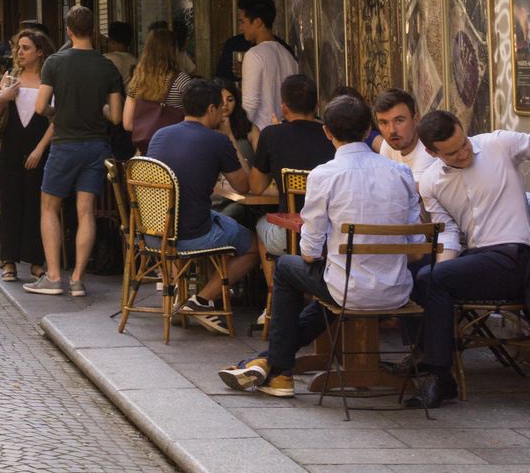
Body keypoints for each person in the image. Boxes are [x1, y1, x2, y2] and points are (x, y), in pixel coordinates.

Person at [217, 94, 422, 397]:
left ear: (327, 132)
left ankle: (280, 369)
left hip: (347, 288)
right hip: (396, 289)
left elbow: (309, 251)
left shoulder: (324, 175)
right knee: (336, 280)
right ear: (369, 130)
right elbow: (415, 247)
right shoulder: (402, 173)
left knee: (288, 267)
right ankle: (270, 361)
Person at [406, 110, 530, 408]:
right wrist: (446, 269)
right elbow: (448, 234)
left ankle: (437, 373)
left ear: (463, 130)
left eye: (463, 143)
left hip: (514, 258)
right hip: (477, 261)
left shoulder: (497, 144)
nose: (464, 154)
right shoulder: (430, 182)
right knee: (415, 274)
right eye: (452, 153)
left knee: (430, 279)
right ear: (431, 152)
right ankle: (429, 361)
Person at [144, 79, 262, 332]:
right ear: (211, 109)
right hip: (191, 235)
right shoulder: (215, 141)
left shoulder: (160, 135)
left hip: (154, 234)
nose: (223, 113)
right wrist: (229, 136)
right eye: (220, 107)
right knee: (254, 246)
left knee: (219, 221)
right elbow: (244, 186)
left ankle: (196, 301)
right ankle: (202, 301)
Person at [24, 6, 124, 298]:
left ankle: (54, 276)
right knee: (86, 212)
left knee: (49, 207)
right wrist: (98, 109)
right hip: (97, 146)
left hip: (65, 143)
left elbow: (41, 107)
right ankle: (78, 279)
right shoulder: (108, 67)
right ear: (93, 29)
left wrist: (60, 112)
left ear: (68, 30)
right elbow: (116, 116)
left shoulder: (54, 63)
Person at [0, 28, 56, 282]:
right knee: (11, 201)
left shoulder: (50, 80)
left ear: (40, 52)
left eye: (26, 48)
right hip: (11, 146)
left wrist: (40, 149)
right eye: (19, 47)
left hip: (40, 147)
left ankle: (36, 260)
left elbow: (56, 119)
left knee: (37, 203)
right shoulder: (10, 78)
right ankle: (9, 261)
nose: (20, 52)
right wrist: (4, 98)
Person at [247, 75, 334, 262]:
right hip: (330, 234)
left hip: (291, 234)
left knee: (260, 224)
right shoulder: (332, 137)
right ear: (317, 105)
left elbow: (256, 187)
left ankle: (273, 289)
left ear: (284, 107)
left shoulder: (271, 135)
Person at [122, 27, 193, 153]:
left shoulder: (138, 81)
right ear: (173, 51)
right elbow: (193, 121)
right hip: (175, 150)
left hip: (146, 154)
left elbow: (127, 124)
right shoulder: (181, 81)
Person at [236, 0, 298, 129]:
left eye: (243, 22)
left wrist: (238, 131)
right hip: (284, 132)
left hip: (262, 134)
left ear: (257, 22)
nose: (241, 27)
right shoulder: (288, 55)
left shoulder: (254, 55)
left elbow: (250, 106)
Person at [370, 87, 436, 180]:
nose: (392, 130)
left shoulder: (428, 151)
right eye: (384, 123)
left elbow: (411, 191)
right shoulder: (388, 145)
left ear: (416, 119)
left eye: (399, 121)